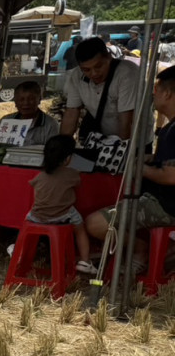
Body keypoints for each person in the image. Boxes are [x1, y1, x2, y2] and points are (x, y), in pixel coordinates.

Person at [86, 65, 175, 270]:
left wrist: (137, 168)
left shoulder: (173, 131)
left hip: (166, 204)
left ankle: (139, 248)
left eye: (156, 92)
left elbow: (171, 176)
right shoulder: (168, 128)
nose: (152, 98)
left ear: (167, 93)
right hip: (162, 199)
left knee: (95, 223)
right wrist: (153, 159)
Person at [20, 134, 94, 274]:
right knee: (80, 228)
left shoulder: (40, 176)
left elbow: (34, 189)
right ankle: (85, 261)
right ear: (68, 158)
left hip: (37, 215)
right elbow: (78, 182)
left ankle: (19, 248)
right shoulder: (71, 174)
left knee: (26, 222)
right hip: (63, 215)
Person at [60, 37, 140, 142]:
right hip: (103, 139)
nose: (94, 73)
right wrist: (62, 144)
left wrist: (121, 152)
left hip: (134, 141)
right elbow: (72, 111)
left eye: (98, 66)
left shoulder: (127, 73)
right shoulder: (77, 75)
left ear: (109, 57)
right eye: (86, 70)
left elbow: (127, 121)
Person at [2, 81, 60, 146]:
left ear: (39, 100)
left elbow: (54, 151)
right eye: (21, 99)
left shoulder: (51, 125)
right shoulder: (6, 121)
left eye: (31, 99)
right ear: (15, 101)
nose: (26, 103)